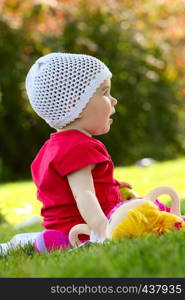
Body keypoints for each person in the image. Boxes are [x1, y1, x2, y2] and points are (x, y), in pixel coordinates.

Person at [24, 52, 132, 253]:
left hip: (61, 229)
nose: (114, 100)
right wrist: (102, 231)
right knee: (147, 212)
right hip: (82, 228)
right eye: (105, 92)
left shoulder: (50, 149)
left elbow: (79, 191)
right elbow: (84, 194)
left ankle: (52, 241)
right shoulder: (78, 146)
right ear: (75, 105)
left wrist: (114, 189)